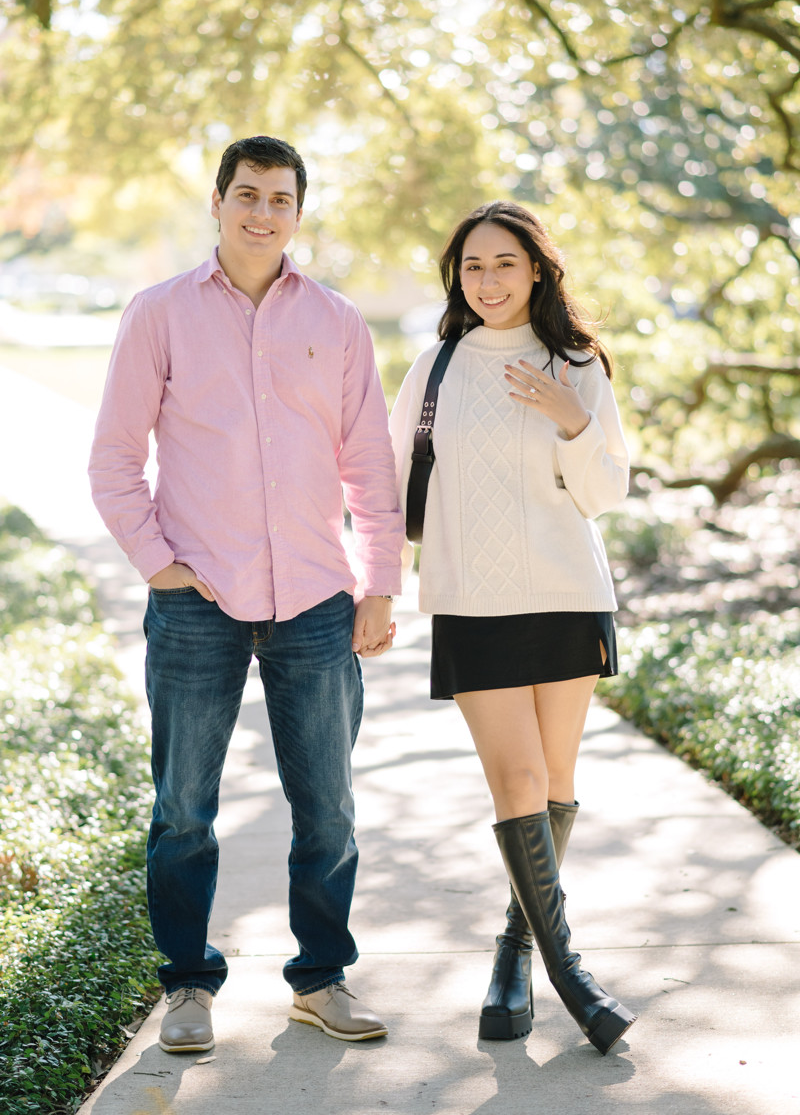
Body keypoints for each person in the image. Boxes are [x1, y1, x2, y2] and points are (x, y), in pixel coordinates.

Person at [89, 135, 405, 1050]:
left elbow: (369, 465)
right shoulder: (158, 314)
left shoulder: (339, 322)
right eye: (247, 195)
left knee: (330, 806)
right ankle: (188, 985)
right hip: (197, 602)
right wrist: (156, 563)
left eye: (280, 198)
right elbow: (114, 460)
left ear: (298, 211)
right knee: (183, 805)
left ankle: (321, 978)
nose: (263, 213)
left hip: (314, 600)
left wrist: (379, 583)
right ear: (218, 203)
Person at [389, 200, 637, 1055]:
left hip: (568, 596)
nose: (487, 280)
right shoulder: (436, 367)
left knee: (555, 782)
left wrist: (571, 418)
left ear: (537, 269)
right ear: (457, 278)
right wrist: (378, 588)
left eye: (503, 263)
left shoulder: (577, 362)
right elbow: (389, 492)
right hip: (473, 604)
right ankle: (573, 975)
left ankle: (514, 953)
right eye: (471, 267)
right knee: (518, 779)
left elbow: (605, 494)